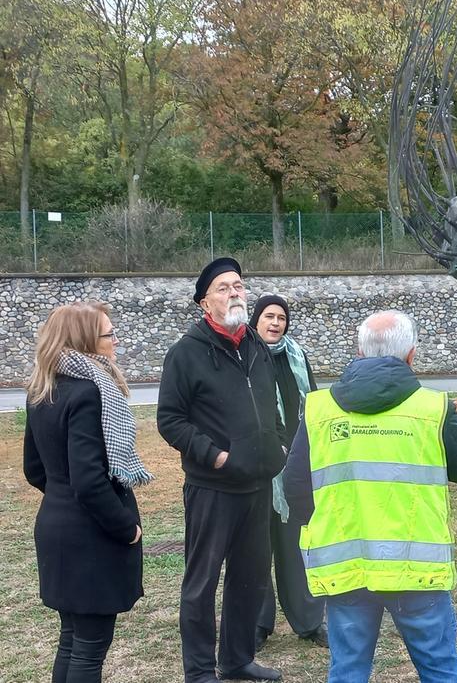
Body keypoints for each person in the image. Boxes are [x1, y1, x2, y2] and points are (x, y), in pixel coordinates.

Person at [282, 310, 457, 683]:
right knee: (440, 670)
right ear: (411, 355)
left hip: (348, 567)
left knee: (348, 671)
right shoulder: (433, 408)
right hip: (417, 569)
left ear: (359, 351)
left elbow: (296, 487)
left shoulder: (319, 410)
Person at [157, 258, 285, 683]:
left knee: (250, 578)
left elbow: (271, 405)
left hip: (258, 483)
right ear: (204, 303)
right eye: (223, 288)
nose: (235, 292)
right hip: (212, 486)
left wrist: (278, 446)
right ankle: (198, 671)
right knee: (202, 583)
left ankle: (237, 660)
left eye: (239, 285)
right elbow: (170, 420)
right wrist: (216, 457)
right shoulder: (185, 353)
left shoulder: (255, 346)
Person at [24, 302, 152, 683]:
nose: (115, 340)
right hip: (90, 537)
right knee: (89, 649)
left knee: (72, 640)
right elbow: (89, 481)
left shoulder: (43, 388)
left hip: (57, 528)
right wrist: (126, 527)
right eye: (108, 334)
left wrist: (63, 499)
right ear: (85, 341)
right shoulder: (89, 392)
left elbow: (34, 470)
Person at [248, 294, 327, 650]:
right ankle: (257, 623)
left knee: (297, 548)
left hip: (296, 466)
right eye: (269, 316)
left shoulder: (297, 357)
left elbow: (312, 406)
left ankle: (309, 621)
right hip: (257, 468)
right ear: (256, 320)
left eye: (281, 317)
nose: (276, 323)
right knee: (257, 549)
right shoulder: (243, 357)